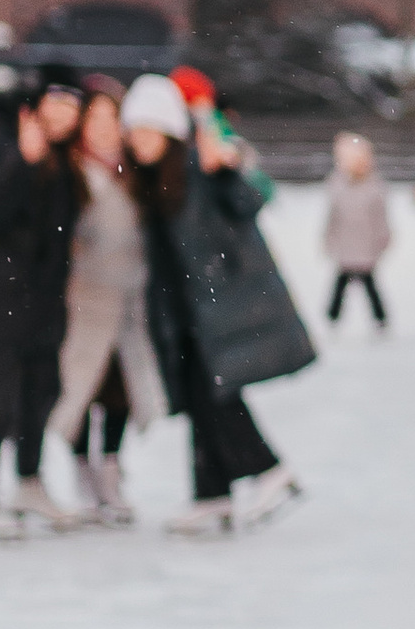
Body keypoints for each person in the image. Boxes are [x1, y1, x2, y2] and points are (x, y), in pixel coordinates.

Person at [120, 73, 313, 535]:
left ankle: (271, 471)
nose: (140, 141)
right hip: (180, 310)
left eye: (150, 131)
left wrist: (227, 169)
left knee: (217, 395)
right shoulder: (148, 180)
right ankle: (212, 494)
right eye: (135, 131)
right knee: (198, 399)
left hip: (214, 305)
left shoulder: (197, 168)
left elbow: (248, 201)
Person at [0, 67, 84, 537]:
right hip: (2, 293)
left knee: (41, 388)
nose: (66, 117)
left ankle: (28, 481)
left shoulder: (63, 154)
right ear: (38, 104)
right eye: (59, 105)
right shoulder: (9, 141)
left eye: (74, 108)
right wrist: (24, 163)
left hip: (44, 295)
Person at [44, 75, 165, 519]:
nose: (102, 128)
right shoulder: (70, 171)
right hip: (82, 300)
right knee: (80, 387)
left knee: (120, 390)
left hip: (129, 300)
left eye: (110, 118)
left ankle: (110, 470)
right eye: (93, 118)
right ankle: (82, 471)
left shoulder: (136, 172)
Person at [322, 131, 394, 330]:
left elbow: (381, 219)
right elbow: (332, 218)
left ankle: (380, 318)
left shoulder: (375, 187)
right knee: (341, 282)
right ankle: (333, 317)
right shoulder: (337, 186)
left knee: (369, 283)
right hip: (346, 245)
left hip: (366, 246)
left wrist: (383, 239)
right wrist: (329, 239)